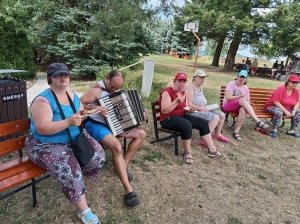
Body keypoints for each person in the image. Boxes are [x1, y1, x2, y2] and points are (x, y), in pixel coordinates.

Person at [25, 63, 105, 224]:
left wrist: (94, 109)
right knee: (69, 169)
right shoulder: (42, 100)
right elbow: (42, 128)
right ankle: (84, 211)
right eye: (58, 75)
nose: (63, 77)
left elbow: (81, 110)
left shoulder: (72, 95)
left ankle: (77, 183)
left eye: (65, 74)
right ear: (50, 78)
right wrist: (69, 122)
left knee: (98, 155)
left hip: (72, 138)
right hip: (45, 144)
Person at [80, 70, 145, 207]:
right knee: (116, 147)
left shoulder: (114, 90)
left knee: (141, 134)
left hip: (113, 125)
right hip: (96, 125)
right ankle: (128, 190)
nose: (115, 90)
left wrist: (138, 111)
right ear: (107, 78)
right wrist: (97, 107)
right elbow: (78, 105)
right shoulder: (96, 90)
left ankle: (123, 165)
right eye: (113, 87)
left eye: (118, 88)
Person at [159, 72, 226, 164]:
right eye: (179, 81)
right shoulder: (167, 92)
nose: (181, 84)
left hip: (181, 116)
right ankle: (187, 152)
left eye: (184, 82)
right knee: (186, 125)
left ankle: (212, 149)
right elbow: (165, 111)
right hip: (168, 119)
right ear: (174, 81)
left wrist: (189, 110)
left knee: (202, 123)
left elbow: (185, 107)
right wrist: (176, 101)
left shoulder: (182, 93)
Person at [185, 70, 229, 148]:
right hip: (194, 112)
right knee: (215, 117)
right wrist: (202, 109)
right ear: (194, 77)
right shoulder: (190, 87)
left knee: (222, 115)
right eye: (201, 77)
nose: (203, 79)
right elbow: (189, 104)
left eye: (204, 78)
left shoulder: (200, 87)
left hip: (204, 108)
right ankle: (204, 140)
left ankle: (218, 135)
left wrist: (206, 108)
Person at [222, 70, 269, 141]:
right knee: (242, 100)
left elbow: (248, 100)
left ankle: (236, 131)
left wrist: (248, 103)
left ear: (246, 79)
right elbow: (228, 98)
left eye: (244, 77)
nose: (242, 79)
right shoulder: (231, 83)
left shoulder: (245, 88)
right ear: (237, 77)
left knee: (243, 109)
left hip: (238, 106)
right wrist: (239, 97)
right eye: (241, 76)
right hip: (227, 106)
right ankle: (257, 121)